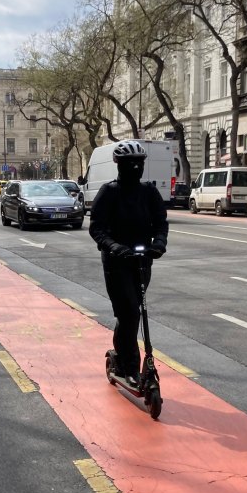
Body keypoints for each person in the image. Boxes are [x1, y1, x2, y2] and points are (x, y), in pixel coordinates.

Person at [89, 140, 168, 387]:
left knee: (131, 313)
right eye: (129, 163)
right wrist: (113, 246)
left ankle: (121, 355)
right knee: (131, 312)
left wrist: (159, 243)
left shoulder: (149, 192)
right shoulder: (109, 192)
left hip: (143, 260)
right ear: (119, 165)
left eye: (139, 163)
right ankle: (130, 367)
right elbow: (97, 228)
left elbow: (160, 222)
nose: (135, 167)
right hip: (117, 262)